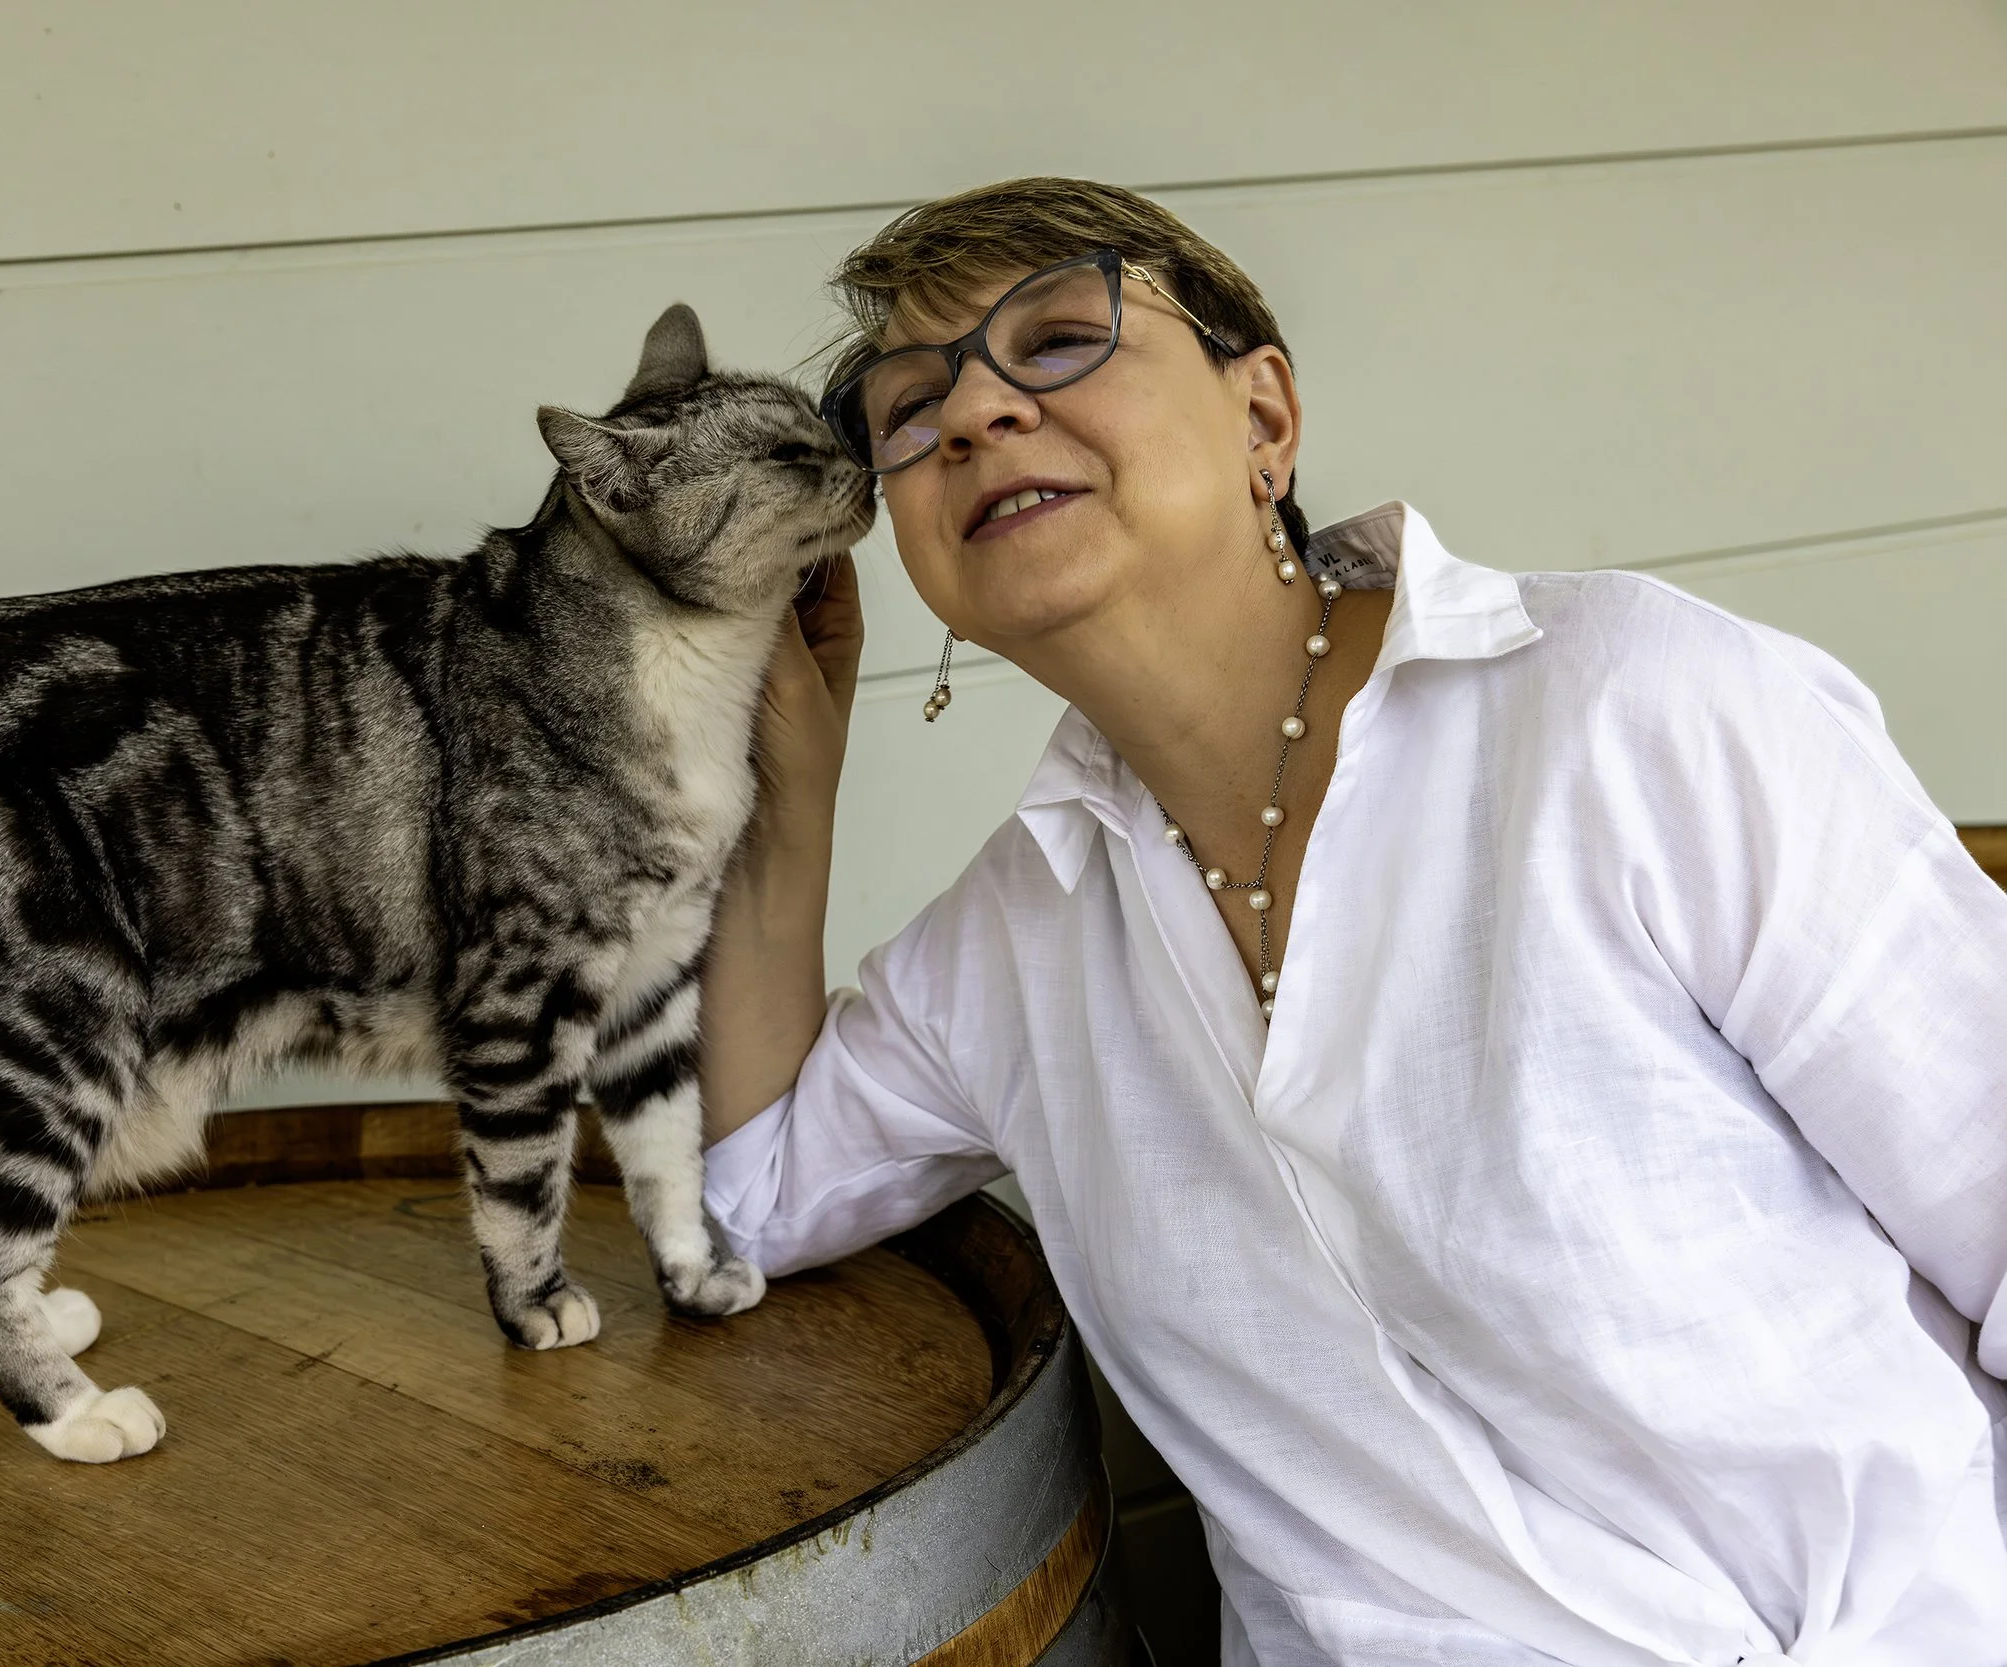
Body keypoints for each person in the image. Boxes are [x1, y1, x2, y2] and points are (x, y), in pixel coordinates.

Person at [693, 177, 2007, 1666]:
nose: (979, 412)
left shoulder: (1634, 709)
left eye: (1059, 338)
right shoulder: (1015, 944)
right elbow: (751, 1195)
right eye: (910, 408)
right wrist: (784, 799)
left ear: (1265, 422)